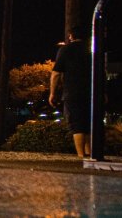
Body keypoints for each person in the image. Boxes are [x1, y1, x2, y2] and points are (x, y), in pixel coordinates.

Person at [50, 25, 92, 157]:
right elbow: (101, 71)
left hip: (72, 91)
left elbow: (56, 73)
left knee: (77, 123)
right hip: (91, 91)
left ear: (71, 36)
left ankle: (80, 156)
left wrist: (52, 93)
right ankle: (90, 153)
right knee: (89, 123)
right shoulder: (91, 50)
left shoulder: (65, 50)